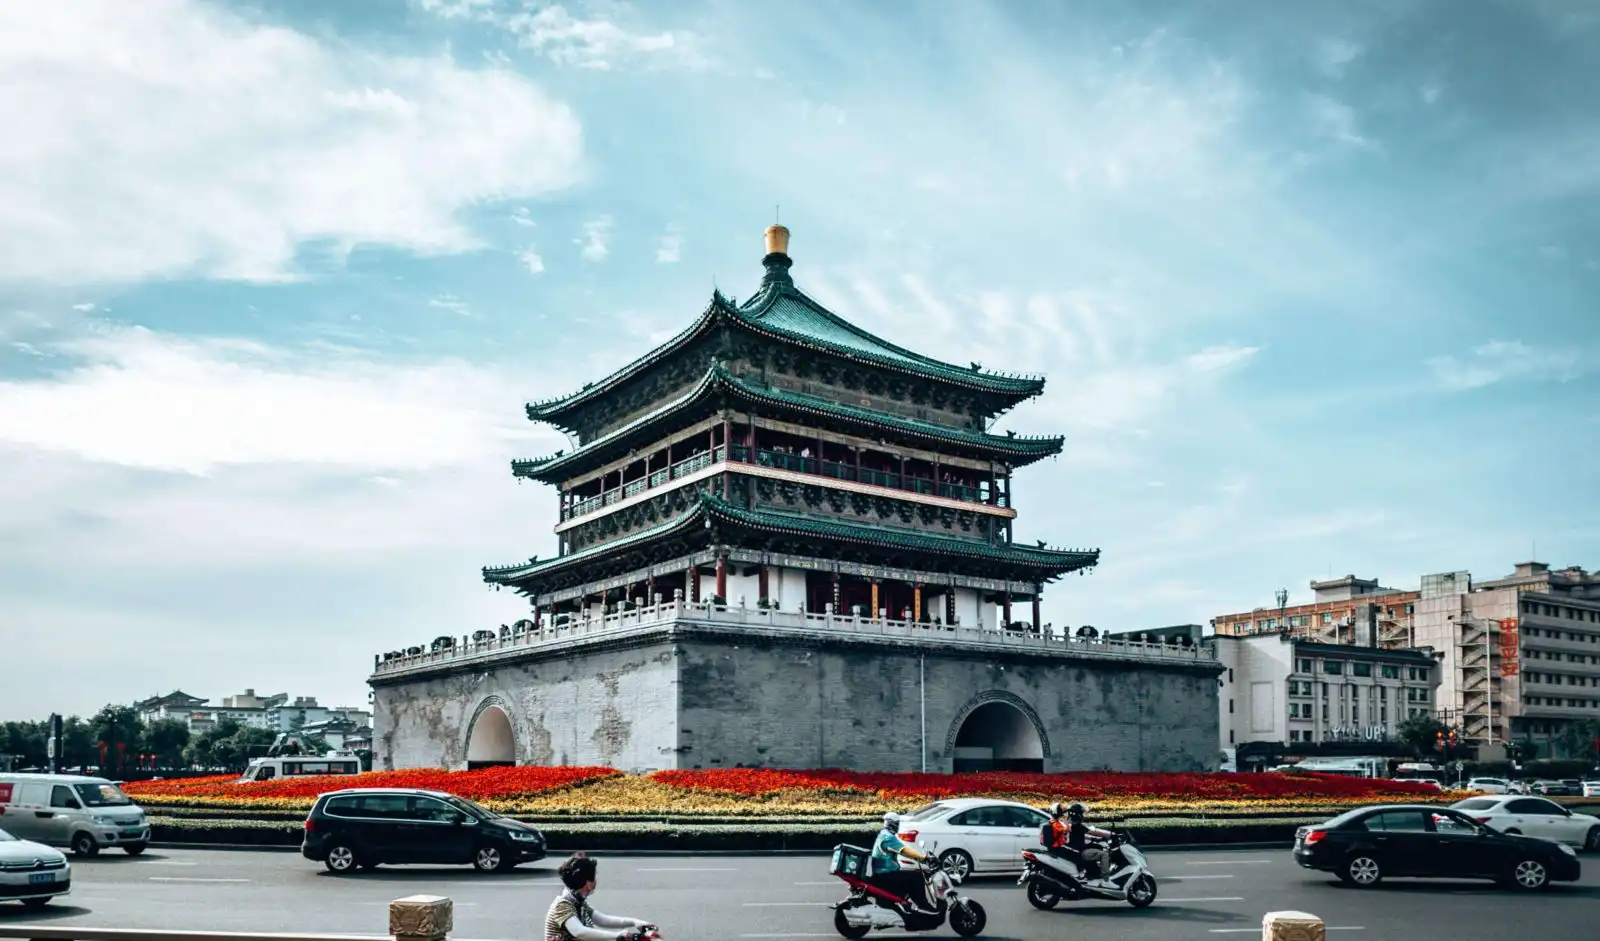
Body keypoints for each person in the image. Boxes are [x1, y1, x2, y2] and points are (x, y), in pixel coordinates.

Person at [545, 853, 652, 941]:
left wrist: (635, 922)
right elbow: (579, 931)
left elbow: (603, 920)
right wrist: (618, 935)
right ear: (589, 883)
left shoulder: (576, 901)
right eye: (595, 876)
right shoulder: (563, 905)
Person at [869, 812, 934, 913]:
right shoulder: (889, 837)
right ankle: (922, 905)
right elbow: (904, 850)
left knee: (908, 873)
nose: (898, 826)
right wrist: (923, 857)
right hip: (885, 874)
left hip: (883, 873)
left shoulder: (883, 834)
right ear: (893, 824)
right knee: (917, 876)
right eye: (897, 823)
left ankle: (904, 902)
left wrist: (917, 857)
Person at [1062, 803, 1114, 884]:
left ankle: (1092, 872)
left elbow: (1078, 836)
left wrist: (1093, 839)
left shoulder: (1070, 824)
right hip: (1078, 850)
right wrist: (1111, 835)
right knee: (1104, 854)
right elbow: (1093, 832)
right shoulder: (1077, 825)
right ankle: (1106, 879)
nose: (1083, 815)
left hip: (1073, 848)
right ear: (1078, 814)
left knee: (1097, 846)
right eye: (1082, 813)